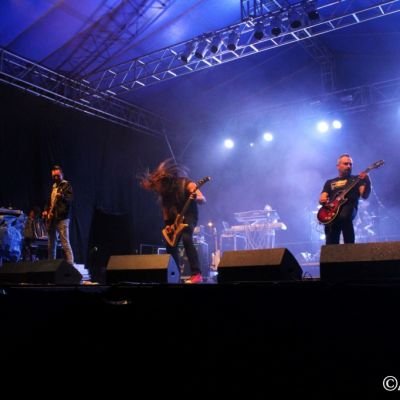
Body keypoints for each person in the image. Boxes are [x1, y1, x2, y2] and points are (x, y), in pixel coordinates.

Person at [140, 159, 206, 283]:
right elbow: (166, 212)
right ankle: (175, 275)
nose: (157, 190)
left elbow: (202, 199)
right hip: (175, 219)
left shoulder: (185, 183)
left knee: (186, 237)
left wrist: (196, 197)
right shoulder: (165, 195)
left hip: (189, 215)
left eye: (158, 186)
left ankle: (196, 274)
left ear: (165, 181)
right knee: (170, 245)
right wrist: (168, 226)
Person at [319, 154, 371, 245]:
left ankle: (349, 248)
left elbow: (364, 195)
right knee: (331, 237)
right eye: (346, 164)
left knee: (344, 216)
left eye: (350, 164)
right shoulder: (330, 182)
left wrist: (367, 180)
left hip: (349, 208)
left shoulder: (357, 179)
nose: (349, 166)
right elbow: (322, 197)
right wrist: (322, 199)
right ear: (338, 166)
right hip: (333, 211)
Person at [42, 165, 74, 265]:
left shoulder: (66, 185)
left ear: (62, 175)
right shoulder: (53, 187)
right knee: (51, 244)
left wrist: (62, 196)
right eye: (54, 176)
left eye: (57, 176)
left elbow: (70, 200)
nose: (56, 178)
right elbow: (48, 201)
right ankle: (50, 266)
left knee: (65, 243)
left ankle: (70, 266)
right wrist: (46, 211)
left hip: (62, 218)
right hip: (52, 218)